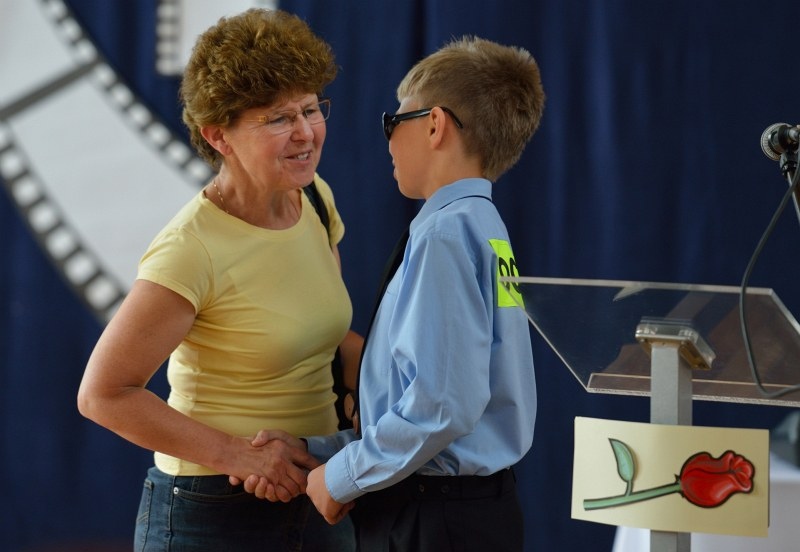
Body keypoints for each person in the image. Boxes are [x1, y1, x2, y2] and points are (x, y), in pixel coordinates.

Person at [243, 35, 545, 551]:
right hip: (463, 509)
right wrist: (324, 452)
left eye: (393, 121)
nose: (387, 141)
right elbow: (433, 397)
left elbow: (442, 406)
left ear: (434, 124)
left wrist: (342, 477)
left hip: (435, 517)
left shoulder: (445, 235)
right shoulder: (483, 225)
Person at [77, 8, 358, 551]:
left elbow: (326, 337)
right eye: (278, 119)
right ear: (218, 136)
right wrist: (242, 456)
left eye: (310, 109)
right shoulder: (191, 248)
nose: (305, 132)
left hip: (318, 491)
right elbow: (104, 395)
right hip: (209, 510)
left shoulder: (315, 199)